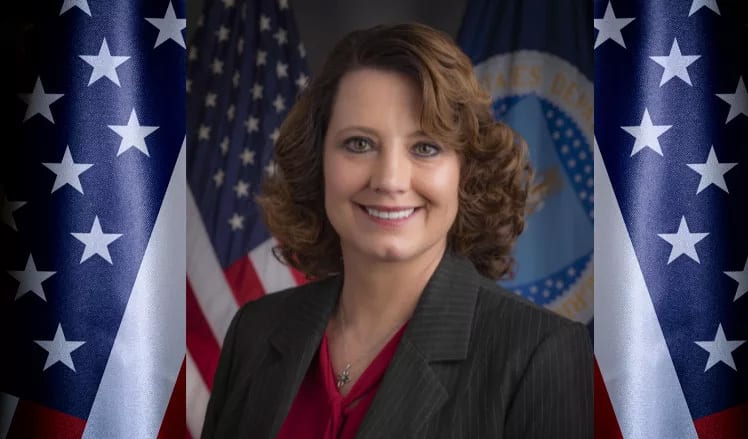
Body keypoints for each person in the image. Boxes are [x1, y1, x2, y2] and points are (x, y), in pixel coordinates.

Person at [201, 23, 593, 439]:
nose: (390, 180)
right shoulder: (256, 331)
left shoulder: (537, 353)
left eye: (425, 147)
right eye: (359, 144)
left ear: (466, 171)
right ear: (318, 162)